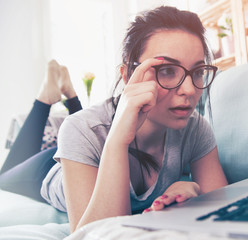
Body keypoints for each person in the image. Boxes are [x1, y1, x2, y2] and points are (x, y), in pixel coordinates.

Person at [40, 5, 228, 233]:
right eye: (167, 70)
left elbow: (225, 211)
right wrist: (118, 138)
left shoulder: (195, 127)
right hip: (43, 170)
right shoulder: (81, 129)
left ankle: (70, 94)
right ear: (129, 75)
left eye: (197, 72)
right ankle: (47, 97)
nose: (189, 90)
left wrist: (192, 189)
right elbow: (96, 235)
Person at [0, 60, 82, 202]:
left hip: (66, 163)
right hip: (72, 159)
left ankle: (66, 96)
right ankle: (48, 99)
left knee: (2, 182)